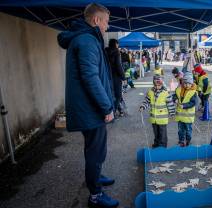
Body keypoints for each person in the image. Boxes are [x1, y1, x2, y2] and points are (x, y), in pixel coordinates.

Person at [57, 3, 119, 208]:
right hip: (91, 110)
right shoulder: (87, 40)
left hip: (87, 108)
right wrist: (106, 107)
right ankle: (95, 195)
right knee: (95, 151)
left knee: (94, 149)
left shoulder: (85, 38)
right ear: (96, 20)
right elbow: (91, 78)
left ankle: (96, 176)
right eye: (106, 22)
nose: (107, 27)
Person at [139, 75, 175, 147]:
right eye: (156, 85)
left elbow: (170, 104)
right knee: (156, 133)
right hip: (154, 118)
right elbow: (147, 101)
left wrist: (172, 113)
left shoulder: (165, 93)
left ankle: (163, 146)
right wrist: (143, 106)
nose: (157, 86)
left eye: (159, 85)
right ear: (154, 84)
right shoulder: (150, 92)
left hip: (162, 118)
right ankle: (157, 144)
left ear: (162, 84)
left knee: (162, 133)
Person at [173, 72, 197, 147]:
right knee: (180, 131)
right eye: (185, 83)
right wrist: (175, 99)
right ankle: (181, 141)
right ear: (183, 83)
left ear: (191, 83)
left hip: (188, 117)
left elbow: (193, 103)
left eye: (189, 84)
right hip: (180, 116)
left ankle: (188, 141)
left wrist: (184, 106)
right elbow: (174, 95)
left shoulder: (193, 92)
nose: (187, 85)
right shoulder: (179, 90)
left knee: (188, 131)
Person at [106, 39, 126, 117]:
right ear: (115, 44)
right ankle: (112, 113)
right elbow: (118, 65)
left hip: (107, 76)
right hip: (116, 77)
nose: (118, 46)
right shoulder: (116, 52)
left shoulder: (105, 51)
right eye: (117, 44)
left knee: (110, 95)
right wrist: (123, 77)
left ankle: (118, 110)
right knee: (118, 95)